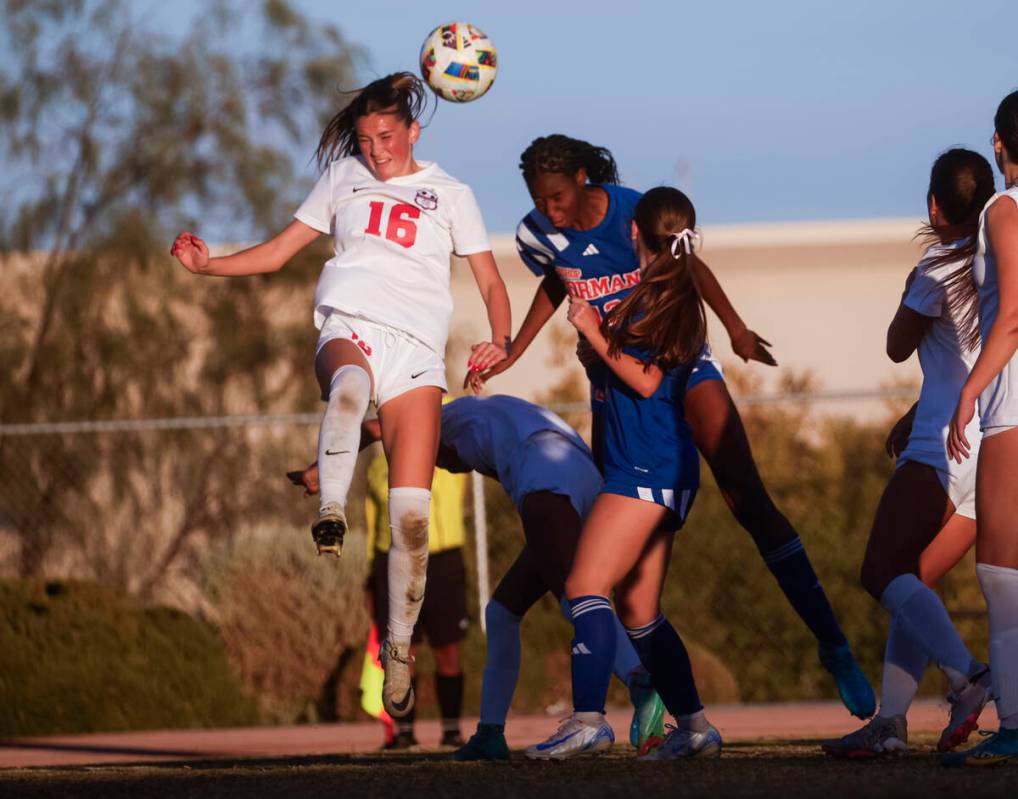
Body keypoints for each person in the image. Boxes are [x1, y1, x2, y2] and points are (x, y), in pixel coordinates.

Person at [475, 134, 874, 718]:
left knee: (749, 499)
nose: (550, 210)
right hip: (619, 385)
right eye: (541, 200)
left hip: (682, 364)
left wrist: (735, 327)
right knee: (632, 574)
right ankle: (659, 699)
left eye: (558, 197)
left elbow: (688, 260)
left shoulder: (632, 213)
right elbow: (556, 281)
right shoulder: (538, 233)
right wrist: (510, 350)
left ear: (583, 179)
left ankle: (833, 643)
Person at [171, 72, 512, 719]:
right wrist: (208, 264)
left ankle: (402, 651)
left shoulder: (451, 194)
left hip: (417, 354)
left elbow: (492, 281)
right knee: (349, 384)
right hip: (349, 327)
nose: (377, 149)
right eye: (365, 138)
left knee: (412, 519)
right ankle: (332, 508)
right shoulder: (343, 179)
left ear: (413, 131)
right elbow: (277, 252)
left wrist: (501, 339)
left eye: (387, 136)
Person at [297, 396, 669, 759]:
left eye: (440, 460)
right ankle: (490, 733)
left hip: (547, 477)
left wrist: (321, 471)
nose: (442, 465)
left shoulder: (433, 420)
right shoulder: (479, 417)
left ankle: (639, 684)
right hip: (579, 475)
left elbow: (371, 429)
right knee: (503, 611)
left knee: (579, 602)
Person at [526, 186, 720, 761]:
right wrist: (599, 350)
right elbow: (635, 371)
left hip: (645, 467)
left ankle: (587, 720)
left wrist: (591, 331)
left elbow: (645, 380)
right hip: (665, 466)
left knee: (585, 586)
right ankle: (696, 727)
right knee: (639, 611)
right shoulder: (673, 294)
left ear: (634, 232)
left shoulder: (653, 298)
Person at [821, 149, 995, 759]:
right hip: (991, 445)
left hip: (942, 444)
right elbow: (968, 361)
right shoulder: (999, 263)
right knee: (912, 584)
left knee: (880, 569)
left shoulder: (938, 265)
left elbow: (898, 346)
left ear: (933, 204)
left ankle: (971, 679)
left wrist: (912, 286)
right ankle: (891, 724)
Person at [945, 90, 1018, 767]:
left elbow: (1013, 311)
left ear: (1000, 144)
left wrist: (969, 389)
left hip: (1013, 403)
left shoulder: (1003, 206)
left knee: (1000, 570)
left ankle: (1016, 723)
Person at [363, 442, 469, 749]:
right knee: (401, 648)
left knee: (447, 650)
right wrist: (371, 575)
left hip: (443, 557)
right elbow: (372, 525)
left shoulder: (447, 445)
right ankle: (404, 732)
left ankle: (451, 731)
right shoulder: (378, 467)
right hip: (393, 558)